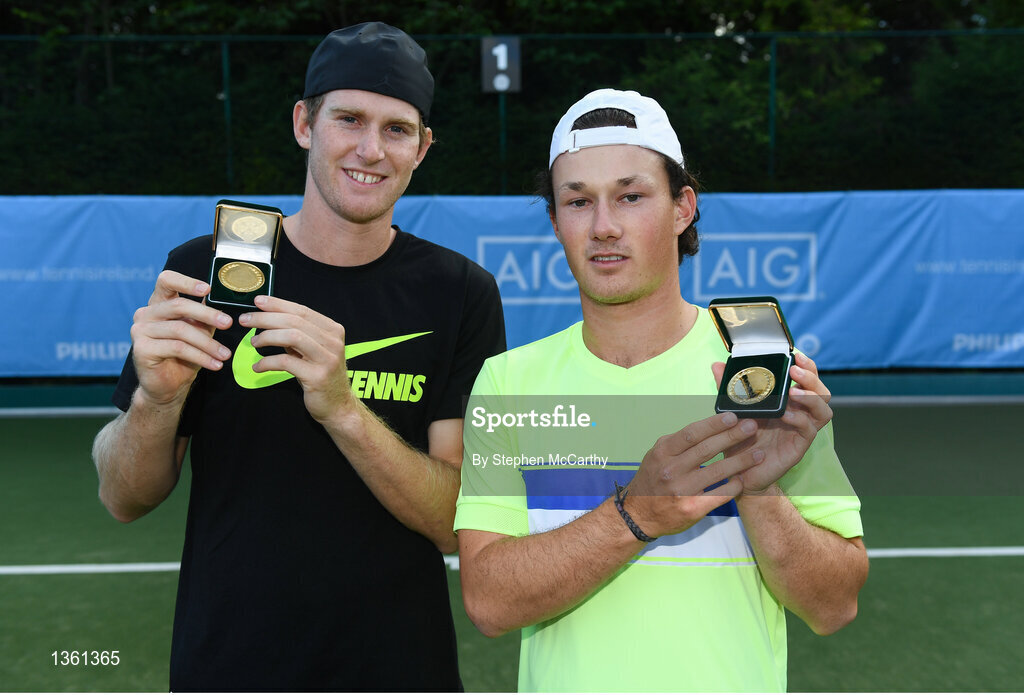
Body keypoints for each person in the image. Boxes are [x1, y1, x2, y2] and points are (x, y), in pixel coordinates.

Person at [92, 22, 505, 691]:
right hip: (228, 669)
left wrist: (343, 408)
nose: (371, 149)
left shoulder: (460, 292)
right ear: (304, 123)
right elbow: (121, 497)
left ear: (422, 148)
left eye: (397, 129)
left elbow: (455, 521)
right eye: (348, 118)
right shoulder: (206, 270)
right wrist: (157, 400)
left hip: (400, 671)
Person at [454, 88, 868, 692]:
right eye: (577, 202)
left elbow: (835, 607)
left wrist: (759, 490)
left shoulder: (756, 374)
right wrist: (639, 512)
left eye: (630, 196)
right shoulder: (510, 382)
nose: (603, 227)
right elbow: (488, 602)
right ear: (554, 221)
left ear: (682, 209)